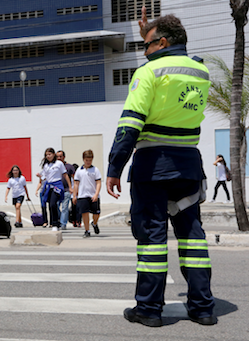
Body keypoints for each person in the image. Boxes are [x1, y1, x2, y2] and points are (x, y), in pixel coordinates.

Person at [106, 12, 217, 327]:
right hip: (189, 166)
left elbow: (130, 123)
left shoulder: (150, 72)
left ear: (163, 42)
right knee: (192, 237)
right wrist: (149, 34)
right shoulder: (200, 71)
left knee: (152, 238)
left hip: (153, 166)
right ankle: (203, 308)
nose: (144, 51)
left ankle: (149, 310)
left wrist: (115, 166)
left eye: (146, 44)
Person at [35, 148, 69, 232]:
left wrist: (70, 187)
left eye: (49, 154)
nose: (48, 156)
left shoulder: (59, 164)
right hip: (49, 186)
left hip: (57, 186)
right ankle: (54, 222)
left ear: (54, 154)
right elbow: (45, 178)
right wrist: (40, 176)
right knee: (50, 205)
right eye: (46, 155)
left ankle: (55, 224)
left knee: (53, 203)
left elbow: (65, 175)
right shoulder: (46, 166)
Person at [72, 150, 101, 238]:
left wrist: (96, 194)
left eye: (90, 160)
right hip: (82, 195)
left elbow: (98, 183)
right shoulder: (79, 170)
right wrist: (74, 196)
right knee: (85, 213)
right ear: (83, 159)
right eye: (86, 160)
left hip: (93, 195)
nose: (88, 162)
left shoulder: (95, 170)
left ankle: (94, 223)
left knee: (96, 213)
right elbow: (76, 184)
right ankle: (87, 230)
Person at [56, 150, 75, 230]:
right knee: (55, 205)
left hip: (66, 190)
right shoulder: (54, 166)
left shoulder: (69, 167)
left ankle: (63, 224)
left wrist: (73, 188)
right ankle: (61, 220)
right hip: (56, 190)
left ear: (64, 157)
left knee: (64, 207)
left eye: (60, 156)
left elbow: (74, 178)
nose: (59, 158)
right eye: (57, 157)